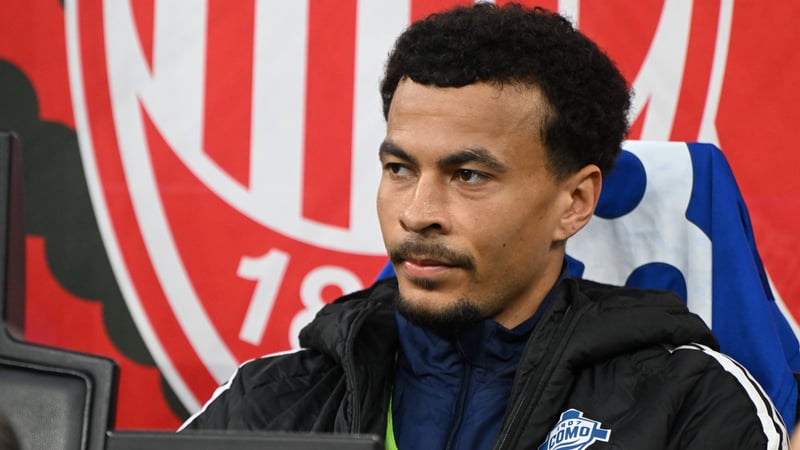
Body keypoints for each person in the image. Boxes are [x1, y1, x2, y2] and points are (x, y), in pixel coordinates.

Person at [181, 3, 789, 449]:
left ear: (575, 203)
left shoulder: (687, 401)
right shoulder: (271, 399)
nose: (417, 212)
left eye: (468, 175)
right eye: (399, 168)